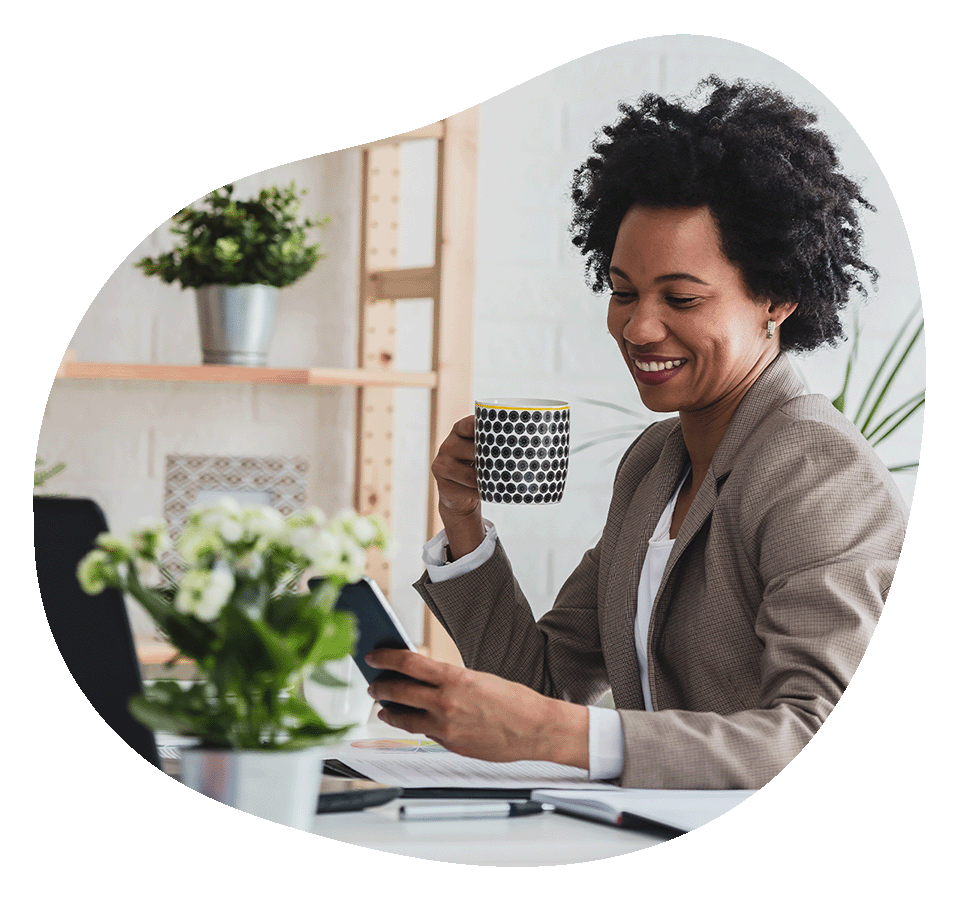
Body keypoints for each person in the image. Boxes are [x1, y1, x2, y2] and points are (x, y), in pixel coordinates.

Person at [364, 76, 907, 789]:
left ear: (775, 298)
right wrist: (462, 520)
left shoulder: (818, 471)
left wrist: (554, 732)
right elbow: (547, 689)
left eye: (679, 297)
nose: (637, 327)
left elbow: (815, 737)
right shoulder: (656, 463)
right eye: (622, 292)